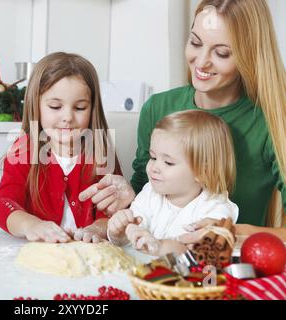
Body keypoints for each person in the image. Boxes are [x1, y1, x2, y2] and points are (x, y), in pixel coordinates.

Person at [79, 0, 286, 241]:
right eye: (195, 42)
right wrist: (124, 200)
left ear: (250, 55)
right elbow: (147, 198)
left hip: (229, 267)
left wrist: (232, 231)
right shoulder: (158, 108)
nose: (201, 61)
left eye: (222, 53)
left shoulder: (272, 122)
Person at [0, 52, 121, 243]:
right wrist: (31, 225)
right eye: (55, 106)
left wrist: (97, 229)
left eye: (80, 108)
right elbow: (2, 205)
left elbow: (113, 213)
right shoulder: (24, 151)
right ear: (36, 106)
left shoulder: (101, 153)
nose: (67, 116)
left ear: (92, 109)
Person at [108, 110, 239, 256]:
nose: (154, 167)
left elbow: (199, 253)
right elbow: (132, 233)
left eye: (168, 162)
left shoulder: (215, 209)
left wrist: (160, 247)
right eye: (153, 157)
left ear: (203, 172)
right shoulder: (150, 193)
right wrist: (120, 232)